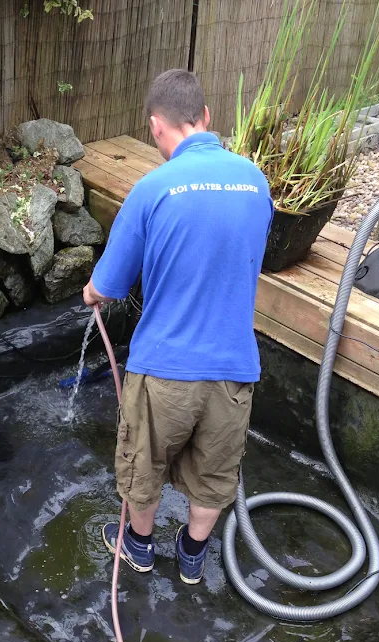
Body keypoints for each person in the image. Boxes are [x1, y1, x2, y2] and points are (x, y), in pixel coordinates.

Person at [83, 69, 273, 584]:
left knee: (142, 467)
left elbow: (111, 284)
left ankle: (139, 548)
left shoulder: (152, 189)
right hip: (233, 369)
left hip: (164, 370)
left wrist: (91, 292)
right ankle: (191, 557)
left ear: (154, 126)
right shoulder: (256, 182)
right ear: (206, 117)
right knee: (213, 475)